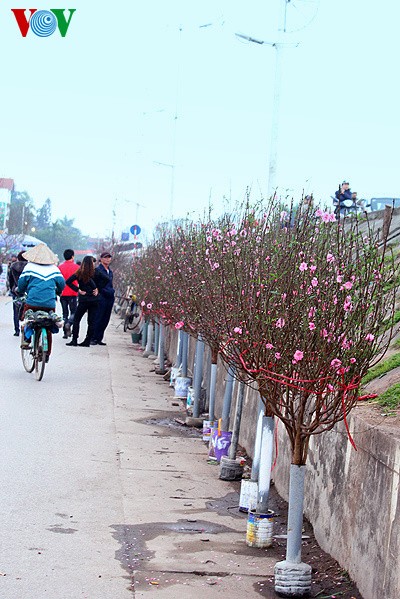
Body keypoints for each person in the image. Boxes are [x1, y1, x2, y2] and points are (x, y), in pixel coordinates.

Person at [17, 244, 65, 355]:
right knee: (48, 323)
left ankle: (26, 340)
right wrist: (57, 291)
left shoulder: (29, 267)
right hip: (49, 304)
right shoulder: (55, 269)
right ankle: (46, 353)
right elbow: (62, 285)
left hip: (32, 302)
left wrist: (21, 290)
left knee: (27, 316)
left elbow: (21, 284)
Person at [64, 255, 109, 347]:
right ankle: (87, 341)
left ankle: (74, 340)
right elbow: (107, 279)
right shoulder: (96, 272)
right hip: (94, 299)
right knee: (91, 321)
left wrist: (78, 289)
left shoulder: (80, 273)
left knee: (77, 319)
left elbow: (68, 281)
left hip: (84, 299)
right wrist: (98, 289)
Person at [91, 251, 115, 346]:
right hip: (101, 296)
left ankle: (99, 337)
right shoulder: (98, 270)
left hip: (110, 296)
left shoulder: (110, 271)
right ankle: (93, 337)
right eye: (105, 257)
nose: (107, 259)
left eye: (109, 257)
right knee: (98, 317)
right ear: (101, 259)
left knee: (106, 318)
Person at [58, 248, 79, 339]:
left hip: (62, 293)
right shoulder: (77, 268)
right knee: (74, 312)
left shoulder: (60, 267)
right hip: (73, 293)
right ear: (72, 256)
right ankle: (69, 324)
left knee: (65, 313)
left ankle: (65, 333)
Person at [8, 251, 28, 336]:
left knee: (16, 311)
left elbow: (10, 280)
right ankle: (26, 328)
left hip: (16, 291)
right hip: (27, 291)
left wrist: (12, 288)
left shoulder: (13, 266)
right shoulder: (29, 267)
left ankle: (17, 330)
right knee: (27, 310)